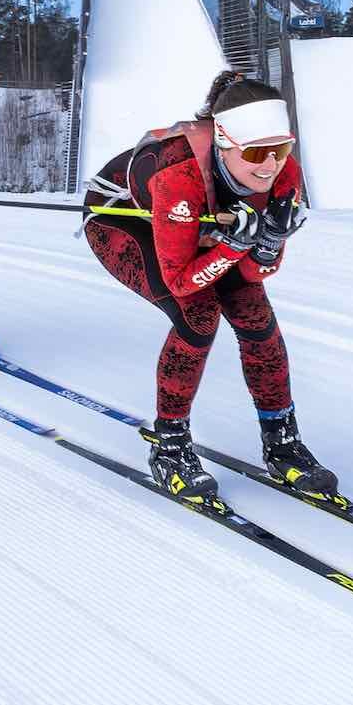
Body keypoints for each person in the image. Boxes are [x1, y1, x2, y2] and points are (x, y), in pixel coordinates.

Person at [82, 70, 322, 503]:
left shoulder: (283, 175)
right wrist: (234, 246)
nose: (270, 164)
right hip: (124, 219)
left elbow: (256, 275)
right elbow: (180, 279)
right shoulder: (180, 173)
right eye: (257, 153)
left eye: (281, 148)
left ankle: (281, 438)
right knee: (198, 317)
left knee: (257, 321)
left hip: (206, 229)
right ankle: (170, 447)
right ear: (226, 143)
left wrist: (266, 245)